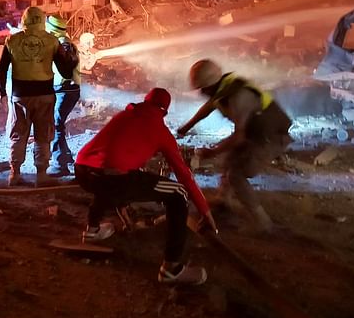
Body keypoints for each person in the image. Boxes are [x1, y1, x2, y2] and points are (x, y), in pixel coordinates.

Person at [75, 88, 214, 285]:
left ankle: (92, 230)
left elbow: (111, 156)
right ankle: (171, 269)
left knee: (111, 173)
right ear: (165, 111)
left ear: (145, 101)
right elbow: (184, 175)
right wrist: (204, 211)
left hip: (82, 170)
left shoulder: (124, 115)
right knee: (179, 193)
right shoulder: (161, 131)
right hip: (112, 180)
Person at [177, 59, 291, 232]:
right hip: (255, 134)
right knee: (229, 160)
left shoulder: (239, 95)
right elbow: (209, 107)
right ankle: (223, 202)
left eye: (203, 89)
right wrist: (186, 127)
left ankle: (265, 224)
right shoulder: (222, 89)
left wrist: (212, 151)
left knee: (236, 176)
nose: (201, 93)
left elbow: (239, 137)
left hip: (270, 138)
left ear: (211, 85)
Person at [0, 7, 77, 186]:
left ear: (24, 20)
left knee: (18, 134)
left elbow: (2, 70)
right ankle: (41, 175)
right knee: (43, 135)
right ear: (42, 20)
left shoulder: (12, 40)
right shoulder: (52, 41)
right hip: (45, 95)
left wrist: (2, 93)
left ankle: (14, 174)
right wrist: (72, 59)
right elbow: (65, 71)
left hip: (20, 96)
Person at [45, 15, 81, 177]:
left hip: (64, 89)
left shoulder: (62, 44)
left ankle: (59, 165)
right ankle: (65, 157)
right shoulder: (63, 42)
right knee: (57, 124)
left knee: (55, 125)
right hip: (67, 89)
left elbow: (65, 69)